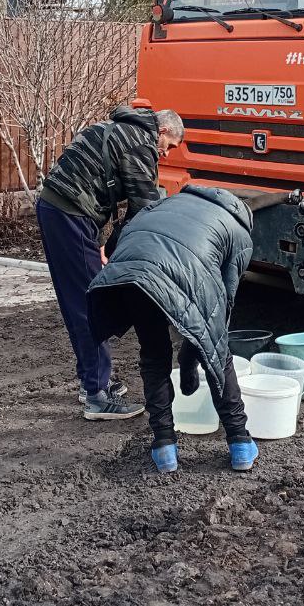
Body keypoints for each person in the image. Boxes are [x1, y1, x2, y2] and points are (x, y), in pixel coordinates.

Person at [87, 185, 257, 474]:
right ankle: (240, 442)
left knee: (154, 355)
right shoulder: (239, 231)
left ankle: (164, 447)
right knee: (220, 353)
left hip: (133, 274)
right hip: (182, 269)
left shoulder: (167, 204)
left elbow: (121, 238)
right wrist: (190, 361)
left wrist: (187, 361)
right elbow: (219, 314)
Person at [37, 105, 185, 419]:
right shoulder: (141, 144)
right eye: (169, 146)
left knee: (78, 299)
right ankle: (96, 395)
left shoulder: (118, 127)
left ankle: (91, 381)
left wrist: (105, 241)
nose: (167, 154)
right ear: (161, 131)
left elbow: (106, 183)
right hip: (70, 213)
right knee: (90, 303)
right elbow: (144, 207)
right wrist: (121, 250)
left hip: (58, 208)